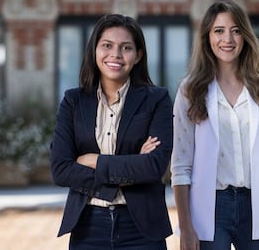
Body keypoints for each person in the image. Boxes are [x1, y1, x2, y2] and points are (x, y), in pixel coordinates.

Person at [171, 0, 259, 250]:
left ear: (245, 36)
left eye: (236, 30)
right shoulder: (190, 90)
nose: (228, 39)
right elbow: (181, 164)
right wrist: (186, 227)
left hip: (255, 204)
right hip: (210, 206)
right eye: (219, 31)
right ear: (207, 37)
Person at [50, 14, 173, 250]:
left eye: (125, 47)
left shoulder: (156, 100)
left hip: (142, 228)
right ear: (95, 50)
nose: (115, 54)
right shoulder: (73, 101)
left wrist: (93, 160)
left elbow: (154, 166)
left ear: (137, 55)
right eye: (107, 45)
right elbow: (61, 169)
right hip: (88, 225)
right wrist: (131, 167)